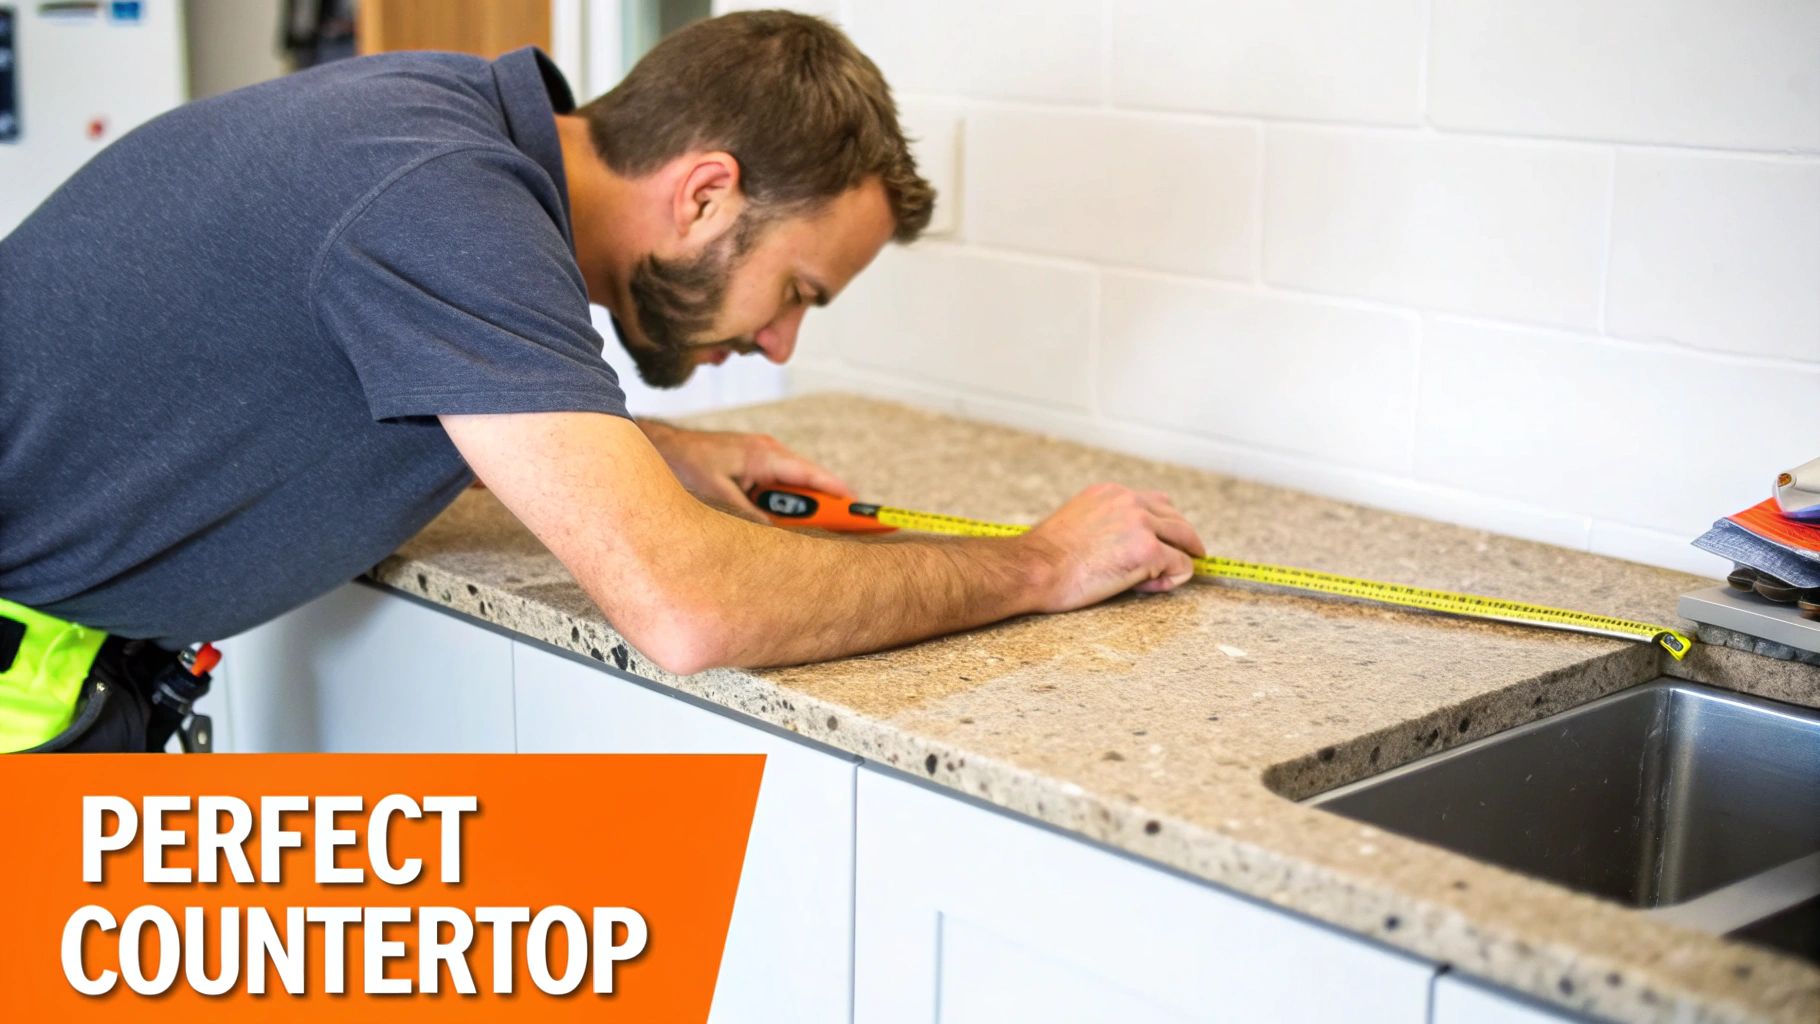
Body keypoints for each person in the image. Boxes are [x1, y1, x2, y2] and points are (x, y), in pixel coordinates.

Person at [0, 11, 1203, 753]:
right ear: (704, 193)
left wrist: (648, 451)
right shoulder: (442, 200)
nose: (782, 347)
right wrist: (1040, 567)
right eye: (797, 291)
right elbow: (689, 611)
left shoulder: (440, 132)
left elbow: (370, 362)